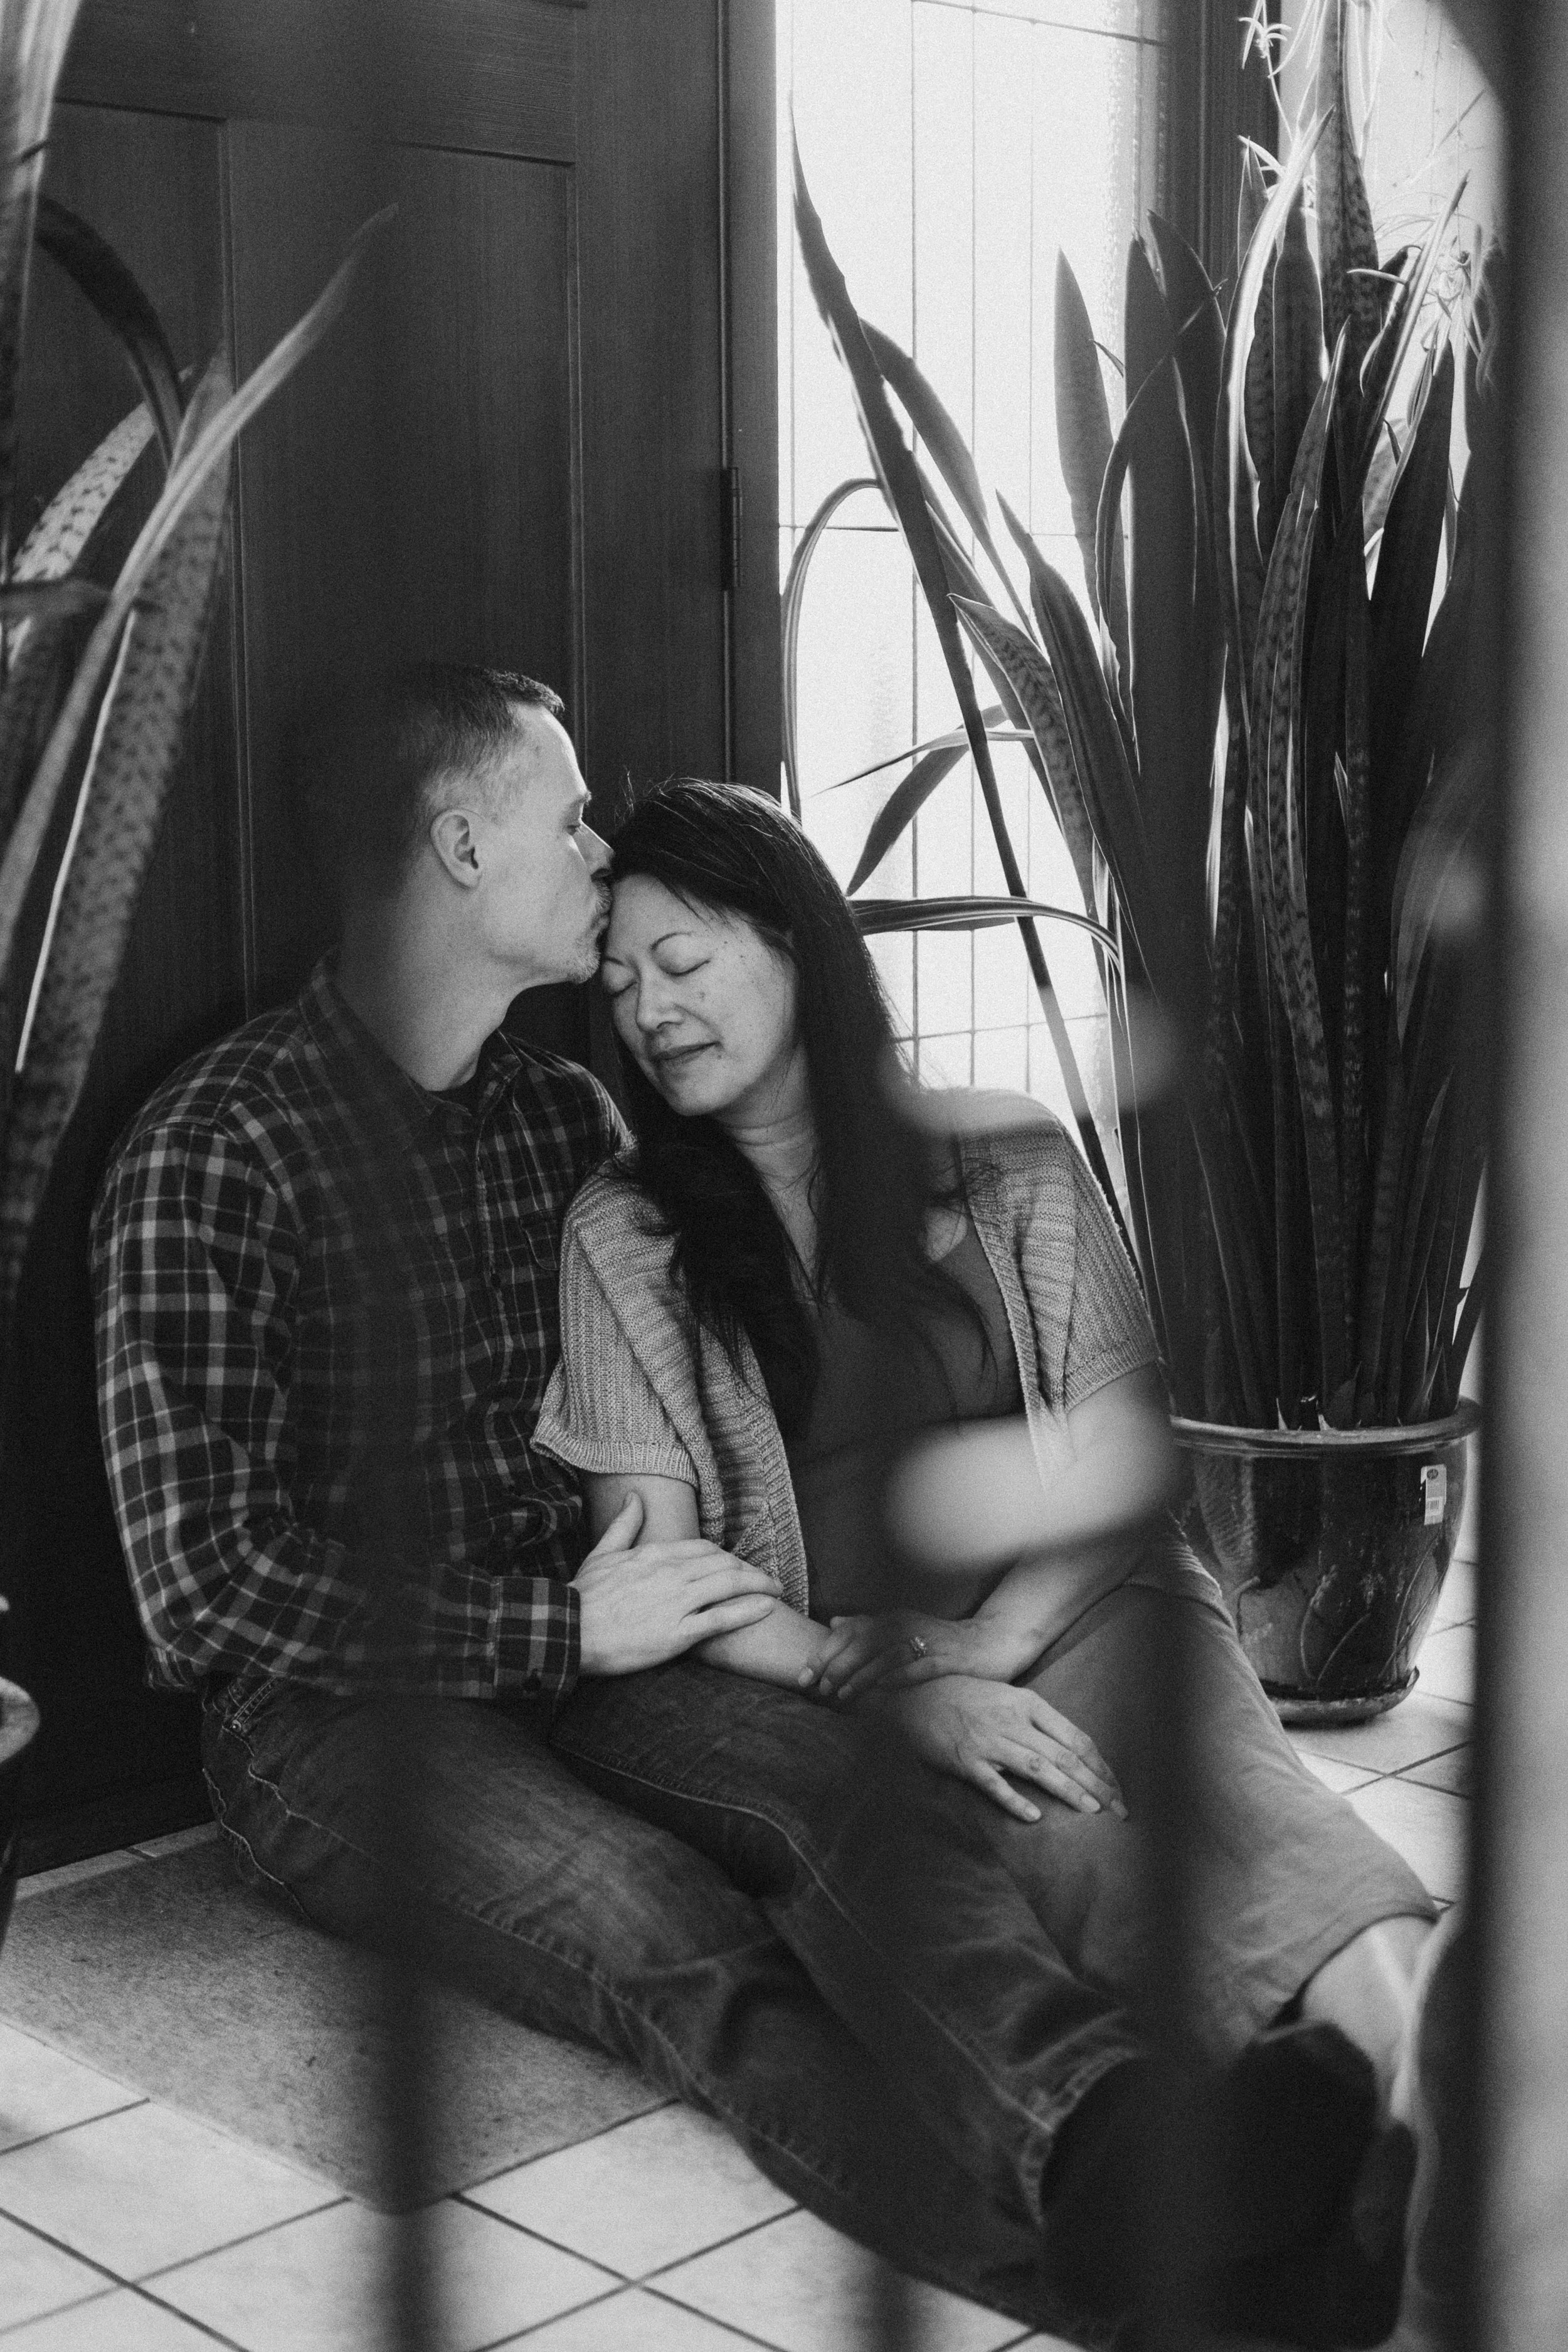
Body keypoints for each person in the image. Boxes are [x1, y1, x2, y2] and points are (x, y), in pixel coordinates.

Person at [90, 667, 1064, 2328]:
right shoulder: (218, 1144)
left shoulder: (566, 1120)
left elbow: (677, 1444)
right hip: (339, 1718)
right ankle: (1087, 2265)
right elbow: (204, 1588)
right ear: (462, 844)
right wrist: (556, 1620)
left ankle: (1118, 2128)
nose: (600, 845)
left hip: (608, 1649)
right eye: (568, 814)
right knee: (660, 1916)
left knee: (872, 1814)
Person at [533, 774, 1463, 2348]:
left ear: (796, 943)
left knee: (1235, 1801)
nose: (646, 1010)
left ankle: (1433, 2136)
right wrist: (893, 1687)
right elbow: (666, 1574)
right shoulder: (622, 1236)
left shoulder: (1008, 1155)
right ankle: (1291, 2172)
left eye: (679, 961)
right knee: (1079, 1844)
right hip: (844, 1662)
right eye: (618, 981)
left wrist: (987, 1646)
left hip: (1081, 1590)